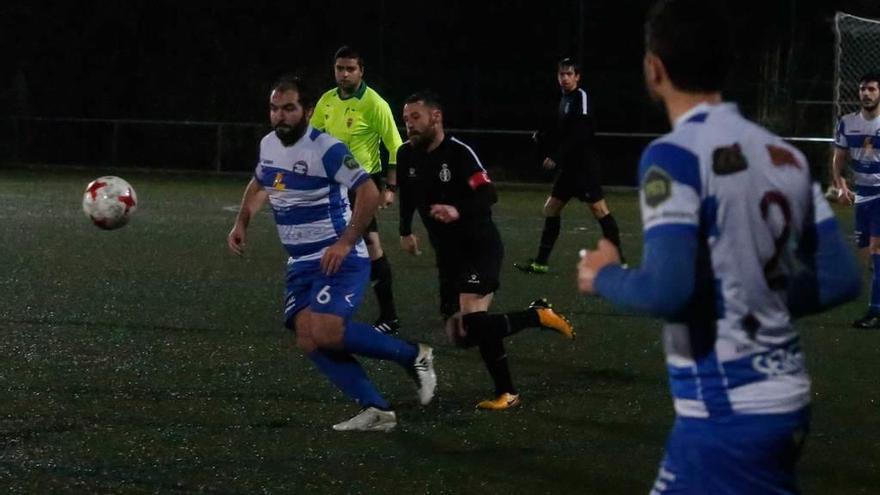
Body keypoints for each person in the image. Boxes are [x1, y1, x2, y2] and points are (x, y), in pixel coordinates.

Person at [576, 0, 860, 492]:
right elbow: (839, 277)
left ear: (654, 69)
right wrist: (753, 294)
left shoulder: (675, 155)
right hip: (784, 395)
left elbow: (669, 290)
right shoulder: (786, 155)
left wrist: (603, 274)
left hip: (728, 409)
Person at [227, 76, 436, 432]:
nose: (280, 116)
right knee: (308, 337)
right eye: (275, 109)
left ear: (307, 111)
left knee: (325, 330)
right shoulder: (268, 145)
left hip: (338, 256)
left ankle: (414, 355)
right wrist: (241, 222)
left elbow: (368, 193)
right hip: (300, 262)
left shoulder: (326, 148)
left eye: (289, 108)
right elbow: (261, 181)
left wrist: (344, 241)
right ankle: (377, 409)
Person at [397, 90, 575, 410]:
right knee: (461, 334)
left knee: (475, 320)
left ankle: (511, 382)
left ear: (435, 117)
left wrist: (457, 211)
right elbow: (409, 195)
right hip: (447, 255)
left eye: (415, 117)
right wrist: (405, 230)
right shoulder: (406, 154)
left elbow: (489, 194)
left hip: (479, 246)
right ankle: (537, 316)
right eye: (405, 119)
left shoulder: (460, 153)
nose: (408, 124)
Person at [311, 46, 404, 335]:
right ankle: (325, 308)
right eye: (340, 68)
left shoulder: (375, 103)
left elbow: (396, 146)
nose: (345, 74)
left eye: (350, 69)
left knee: (371, 244)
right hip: (330, 185)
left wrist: (391, 186)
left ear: (361, 71)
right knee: (325, 241)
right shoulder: (326, 100)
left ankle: (390, 316)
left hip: (361, 185)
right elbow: (312, 139)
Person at [515, 57, 625, 274]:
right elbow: (563, 131)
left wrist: (556, 156)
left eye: (569, 74)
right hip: (569, 169)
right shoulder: (563, 99)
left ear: (577, 77)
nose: (564, 78)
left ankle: (620, 262)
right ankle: (540, 262)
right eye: (561, 74)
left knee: (599, 209)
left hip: (584, 168)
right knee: (551, 209)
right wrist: (544, 136)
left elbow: (581, 132)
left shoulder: (580, 97)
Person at [830, 72, 880, 328]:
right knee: (867, 255)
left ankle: (875, 313)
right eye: (863, 89)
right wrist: (841, 185)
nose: (866, 93)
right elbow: (839, 160)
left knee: (876, 250)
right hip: (862, 194)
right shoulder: (847, 122)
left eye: (871, 89)